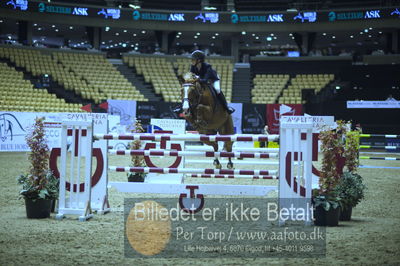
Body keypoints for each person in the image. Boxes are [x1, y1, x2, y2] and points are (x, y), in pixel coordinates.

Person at [174, 50, 234, 114]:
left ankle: (226, 107)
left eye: (193, 59)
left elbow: (205, 80)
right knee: (188, 90)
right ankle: (181, 107)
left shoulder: (207, 67)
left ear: (199, 60)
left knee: (217, 89)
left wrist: (197, 79)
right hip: (200, 79)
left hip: (212, 79)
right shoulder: (193, 67)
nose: (191, 61)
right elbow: (191, 75)